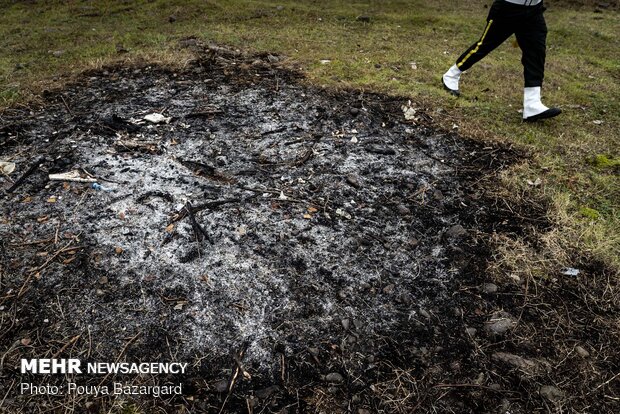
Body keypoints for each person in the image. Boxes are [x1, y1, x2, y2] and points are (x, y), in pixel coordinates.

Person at [442, 0, 561, 122]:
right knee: (484, 46)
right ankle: (451, 75)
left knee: (536, 53)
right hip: (508, 8)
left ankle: (532, 103)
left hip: (533, 10)